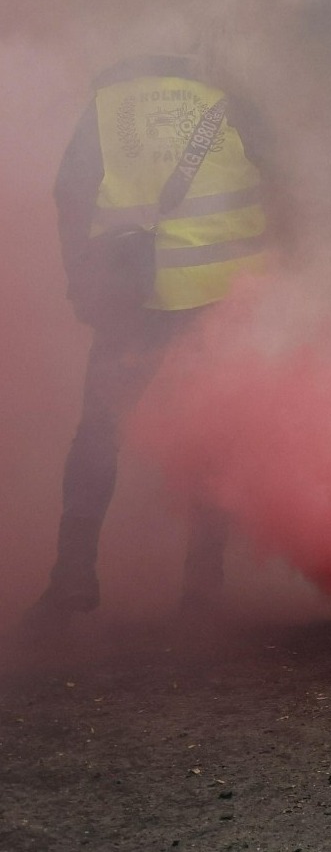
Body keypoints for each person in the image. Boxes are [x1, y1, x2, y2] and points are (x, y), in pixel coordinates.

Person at [28, 41, 271, 626]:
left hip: (133, 296)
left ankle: (74, 576)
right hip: (222, 295)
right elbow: (291, 187)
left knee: (100, 431)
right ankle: (203, 584)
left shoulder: (108, 107)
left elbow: (68, 193)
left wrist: (78, 277)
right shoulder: (229, 100)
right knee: (215, 431)